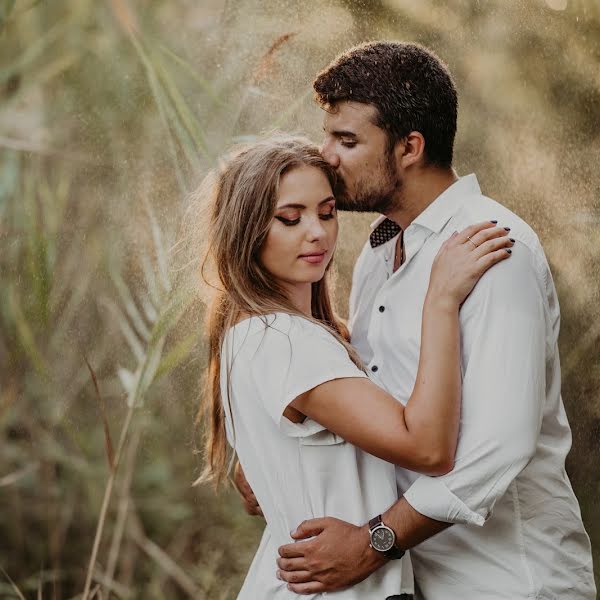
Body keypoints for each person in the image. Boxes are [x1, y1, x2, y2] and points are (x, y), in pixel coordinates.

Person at [240, 41, 597, 598]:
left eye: (348, 140)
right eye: (328, 134)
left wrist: (373, 541)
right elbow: (375, 412)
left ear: (409, 147)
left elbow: (497, 447)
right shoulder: (377, 259)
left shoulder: (493, 250)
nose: (325, 155)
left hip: (504, 580)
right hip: (410, 581)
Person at [195, 134, 514, 599]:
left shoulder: (257, 331)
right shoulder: (285, 340)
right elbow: (427, 448)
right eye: (290, 218)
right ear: (246, 231)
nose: (317, 232)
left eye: (326, 212)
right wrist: (440, 300)